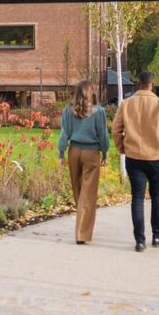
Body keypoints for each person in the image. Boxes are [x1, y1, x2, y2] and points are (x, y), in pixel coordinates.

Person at [112, 71, 159, 252]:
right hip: (156, 156)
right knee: (157, 196)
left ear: (138, 83)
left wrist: (122, 148)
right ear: (152, 84)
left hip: (134, 157)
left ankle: (140, 240)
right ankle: (156, 235)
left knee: (137, 198)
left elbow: (116, 130)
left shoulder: (126, 104)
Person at [58, 80, 110, 244]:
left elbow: (64, 133)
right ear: (91, 92)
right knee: (87, 194)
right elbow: (103, 135)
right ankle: (82, 233)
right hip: (90, 152)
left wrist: (61, 152)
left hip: (74, 151)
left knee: (78, 191)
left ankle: (82, 225)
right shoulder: (99, 112)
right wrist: (104, 152)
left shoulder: (68, 111)